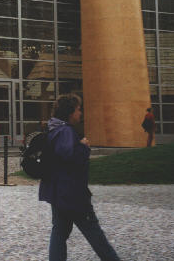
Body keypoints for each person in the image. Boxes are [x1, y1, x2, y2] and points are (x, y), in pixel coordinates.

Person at [39, 94, 120, 261]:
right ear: (69, 112)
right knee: (94, 233)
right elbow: (70, 158)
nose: (80, 113)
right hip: (72, 194)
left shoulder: (53, 129)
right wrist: (84, 147)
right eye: (78, 109)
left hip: (57, 193)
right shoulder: (65, 131)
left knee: (59, 232)